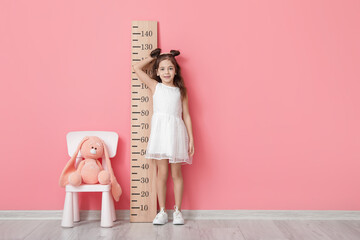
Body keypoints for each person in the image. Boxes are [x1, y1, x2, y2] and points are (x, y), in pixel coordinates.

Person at [132, 48, 195, 225]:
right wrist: (151, 58)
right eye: (162, 69)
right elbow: (137, 68)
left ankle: (178, 211)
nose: (166, 72)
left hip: (175, 133)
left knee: (177, 173)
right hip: (160, 134)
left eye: (170, 68)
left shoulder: (181, 91)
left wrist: (191, 138)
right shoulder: (155, 86)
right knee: (162, 173)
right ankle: (162, 211)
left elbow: (187, 116)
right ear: (157, 72)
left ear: (175, 70)